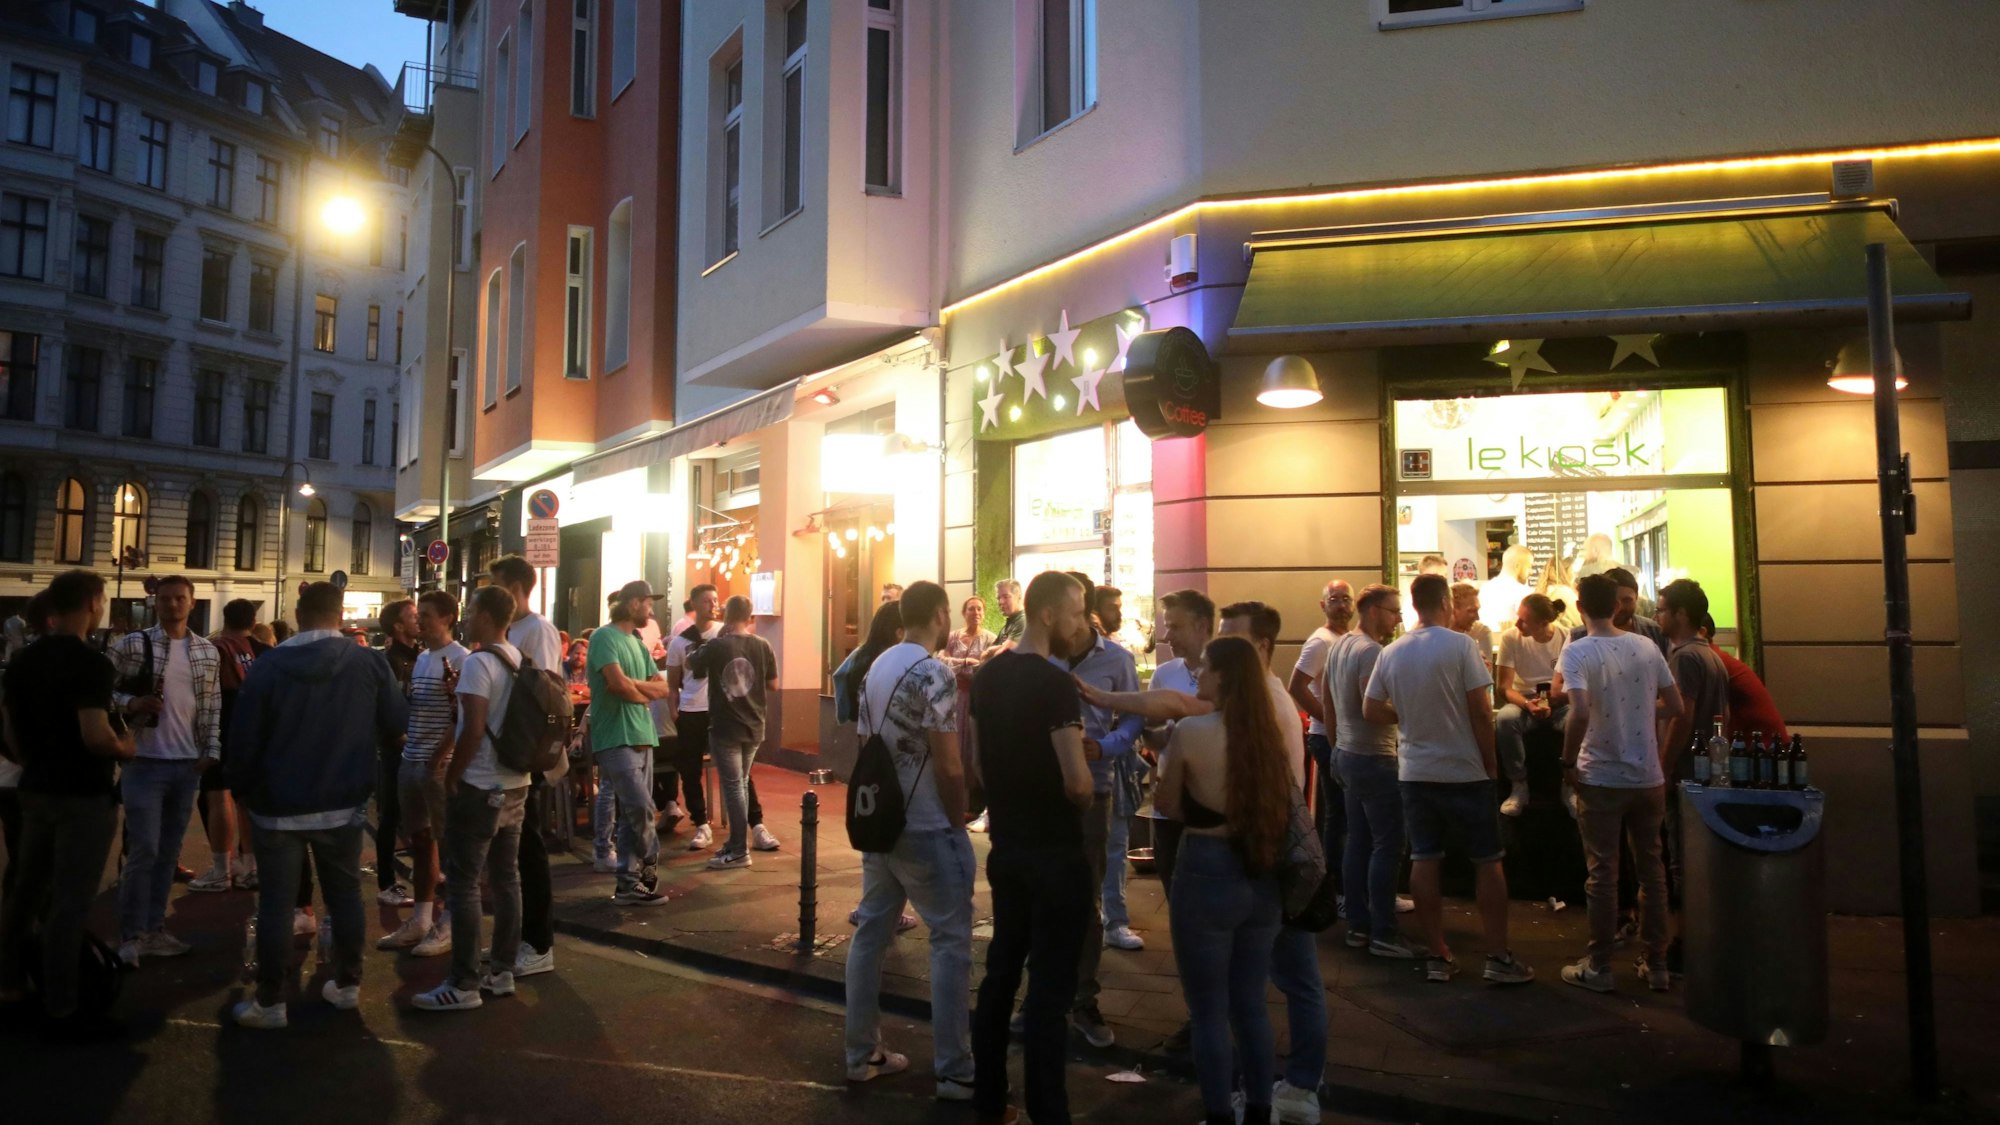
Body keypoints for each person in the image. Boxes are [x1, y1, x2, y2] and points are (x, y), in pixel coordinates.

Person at [227, 582, 407, 1029]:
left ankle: (270, 1001)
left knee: (277, 904)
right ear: (339, 612)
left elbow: (244, 738)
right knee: (345, 895)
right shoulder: (367, 662)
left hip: (276, 805)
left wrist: (241, 788)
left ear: (299, 612)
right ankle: (347, 984)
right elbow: (397, 724)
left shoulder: (269, 666)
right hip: (343, 801)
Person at [1362, 574, 1533, 986]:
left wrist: (1408, 714)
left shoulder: (1392, 652)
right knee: (1487, 861)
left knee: (1424, 859)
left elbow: (1370, 709)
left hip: (1416, 772)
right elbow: (1480, 710)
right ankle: (1497, 955)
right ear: (1444, 603)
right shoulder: (1461, 646)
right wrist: (1492, 766)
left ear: (1415, 605)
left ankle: (1438, 954)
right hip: (1465, 771)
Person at [969, 571, 1095, 1125]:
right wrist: (1087, 787)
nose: (1081, 623)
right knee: (1049, 988)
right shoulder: (1055, 683)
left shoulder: (988, 677)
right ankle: (1050, 1110)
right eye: (1075, 612)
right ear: (1047, 614)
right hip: (1056, 853)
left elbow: (975, 764)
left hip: (1008, 848)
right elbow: (1076, 782)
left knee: (1000, 972)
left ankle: (990, 1099)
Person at [843, 582, 977, 1100]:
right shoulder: (934, 672)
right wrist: (956, 821)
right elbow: (947, 761)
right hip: (924, 824)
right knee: (950, 940)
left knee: (871, 931)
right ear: (941, 615)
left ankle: (861, 1054)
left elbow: (863, 744)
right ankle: (955, 1069)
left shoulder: (875, 666)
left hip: (881, 822)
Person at [1157, 635, 1295, 1125]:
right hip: (1261, 870)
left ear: (1225, 676)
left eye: (1207, 668)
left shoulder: (1192, 732)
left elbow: (1167, 805)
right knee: (1251, 1003)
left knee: (1208, 1009)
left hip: (1205, 867)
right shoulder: (1270, 734)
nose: (1198, 675)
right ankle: (1259, 1109)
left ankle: (1219, 1113)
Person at [0, 571, 134, 1037]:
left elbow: (11, 733)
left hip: (35, 790)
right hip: (83, 794)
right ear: (95, 602)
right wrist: (125, 746)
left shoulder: (21, 661)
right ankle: (63, 1007)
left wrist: (34, 762)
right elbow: (95, 735)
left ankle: (11, 986)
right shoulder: (90, 664)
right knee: (70, 903)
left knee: (24, 892)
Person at [1559, 574, 1683, 993]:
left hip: (1601, 776)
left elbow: (1577, 712)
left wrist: (1566, 762)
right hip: (1647, 775)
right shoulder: (1647, 646)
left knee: (1603, 873)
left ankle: (1601, 966)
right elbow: (1676, 705)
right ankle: (1658, 963)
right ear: (1616, 605)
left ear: (1580, 607)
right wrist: (1639, 713)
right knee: (1652, 869)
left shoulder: (1577, 652)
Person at [411, 587, 534, 1012]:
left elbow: (473, 728)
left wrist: (453, 776)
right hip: (517, 781)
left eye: (471, 610)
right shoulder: (519, 660)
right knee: (506, 878)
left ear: (485, 614)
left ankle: (463, 983)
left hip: (481, 784)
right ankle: (501, 970)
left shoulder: (480, 663)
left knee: (463, 882)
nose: (465, 617)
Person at [107, 575, 221, 966]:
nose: (173, 605)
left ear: (192, 603)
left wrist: (211, 750)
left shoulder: (207, 651)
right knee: (145, 849)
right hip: (144, 761)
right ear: (156, 602)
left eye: (180, 599)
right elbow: (100, 690)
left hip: (186, 763)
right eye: (166, 598)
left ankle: (154, 928)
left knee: (168, 852)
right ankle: (131, 934)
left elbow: (213, 705)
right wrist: (131, 702)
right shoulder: (132, 644)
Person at [1048, 575, 1142, 1045]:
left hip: (1095, 790)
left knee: (1086, 899)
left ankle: (1083, 998)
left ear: (1082, 611)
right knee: (1043, 895)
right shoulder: (1040, 657)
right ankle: (1043, 997)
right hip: (1043, 792)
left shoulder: (1118, 660)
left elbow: (1135, 717)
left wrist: (1104, 747)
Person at [1323, 584, 1418, 960]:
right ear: (1374, 610)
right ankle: (1383, 933)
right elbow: (1372, 708)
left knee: (1359, 842)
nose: (1399, 618)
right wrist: (1410, 713)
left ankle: (1358, 927)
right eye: (1395, 611)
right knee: (1387, 846)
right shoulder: (1371, 652)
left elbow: (1329, 704)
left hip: (1348, 754)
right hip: (1375, 758)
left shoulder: (1341, 645)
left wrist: (1335, 747)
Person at [377, 591, 465, 957]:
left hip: (436, 766)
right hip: (412, 760)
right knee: (420, 840)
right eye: (419, 615)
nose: (420, 621)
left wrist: (439, 759)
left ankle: (451, 922)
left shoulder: (462, 658)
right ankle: (422, 918)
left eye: (427, 615)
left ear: (446, 618)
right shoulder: (423, 659)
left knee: (449, 846)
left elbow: (463, 714)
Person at [489, 555, 563, 979]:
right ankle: (514, 939)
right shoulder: (511, 629)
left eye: (499, 587)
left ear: (517, 588)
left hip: (525, 757)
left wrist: (532, 757)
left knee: (529, 849)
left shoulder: (538, 630)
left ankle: (538, 943)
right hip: (505, 755)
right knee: (508, 854)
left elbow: (546, 697)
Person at [666, 585, 776, 853]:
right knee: (691, 768)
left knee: (739, 777)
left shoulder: (726, 636)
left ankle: (755, 826)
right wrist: (673, 707)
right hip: (693, 710)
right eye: (707, 600)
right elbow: (675, 680)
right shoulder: (681, 640)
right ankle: (701, 822)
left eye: (716, 600)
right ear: (693, 603)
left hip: (727, 714)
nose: (712, 605)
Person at [589, 581, 672, 905]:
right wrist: (637, 690)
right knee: (641, 807)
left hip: (643, 735)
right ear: (634, 604)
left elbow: (661, 689)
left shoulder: (637, 644)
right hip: (614, 737)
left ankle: (626, 885)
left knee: (630, 815)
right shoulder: (603, 637)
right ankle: (650, 858)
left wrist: (632, 686)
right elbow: (616, 685)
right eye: (648, 603)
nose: (651, 610)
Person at [192, 598, 270, 893]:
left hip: (220, 727)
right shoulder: (266, 652)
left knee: (217, 795)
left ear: (225, 619)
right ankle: (251, 866)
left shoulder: (214, 649)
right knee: (246, 800)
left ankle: (221, 869)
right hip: (256, 734)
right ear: (253, 621)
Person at [1285, 579, 1352, 901]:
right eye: (1334, 599)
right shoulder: (1321, 642)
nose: (1341, 604)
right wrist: (1329, 719)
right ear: (1323, 605)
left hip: (1342, 738)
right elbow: (1296, 686)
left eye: (1345, 598)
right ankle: (1335, 890)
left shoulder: (1347, 639)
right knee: (1338, 814)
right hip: (1328, 739)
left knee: (1347, 814)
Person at [1493, 593, 1570, 817]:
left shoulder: (1566, 637)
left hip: (1558, 701)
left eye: (1524, 620)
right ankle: (1518, 784)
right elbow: (1504, 687)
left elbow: (1572, 682)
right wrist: (1529, 704)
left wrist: (1555, 700)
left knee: (1579, 718)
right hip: (1524, 699)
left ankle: (1570, 783)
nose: (1517, 624)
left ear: (1543, 623)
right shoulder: (1511, 638)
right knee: (1506, 719)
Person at [372, 600, 420, 907]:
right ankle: (387, 882)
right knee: (389, 815)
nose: (419, 621)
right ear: (398, 626)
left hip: (419, 747)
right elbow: (383, 706)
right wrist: (397, 737)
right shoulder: (389, 662)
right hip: (395, 750)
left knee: (418, 816)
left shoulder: (423, 656)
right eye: (413, 616)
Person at [1696, 618, 1786, 741]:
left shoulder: (1708, 661)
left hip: (1759, 747)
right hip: (1761, 742)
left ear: (1702, 633)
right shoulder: (1717, 658)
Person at [1478, 545, 1536, 632]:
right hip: (1512, 643)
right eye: (1529, 567)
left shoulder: (1484, 588)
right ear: (1517, 566)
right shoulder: (1523, 593)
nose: (1531, 572)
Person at [1449, 582, 1493, 674]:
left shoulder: (1481, 632)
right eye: (1471, 611)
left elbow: (1485, 676)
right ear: (1452, 610)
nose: (1477, 617)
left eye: (1477, 610)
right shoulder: (1437, 634)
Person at [987, 579, 1025, 652]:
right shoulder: (1007, 626)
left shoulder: (1023, 621)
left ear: (1019, 596)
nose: (1001, 602)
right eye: (998, 598)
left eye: (1006, 597)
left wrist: (990, 652)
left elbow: (1007, 652)